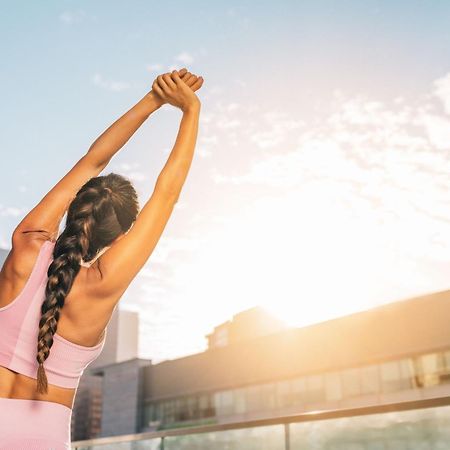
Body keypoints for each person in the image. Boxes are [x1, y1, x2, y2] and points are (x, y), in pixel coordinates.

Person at [0, 67, 203, 449]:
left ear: (74, 205)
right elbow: (167, 194)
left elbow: (93, 160)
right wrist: (191, 110)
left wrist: (153, 99)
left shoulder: (26, 244)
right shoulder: (102, 285)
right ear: (121, 237)